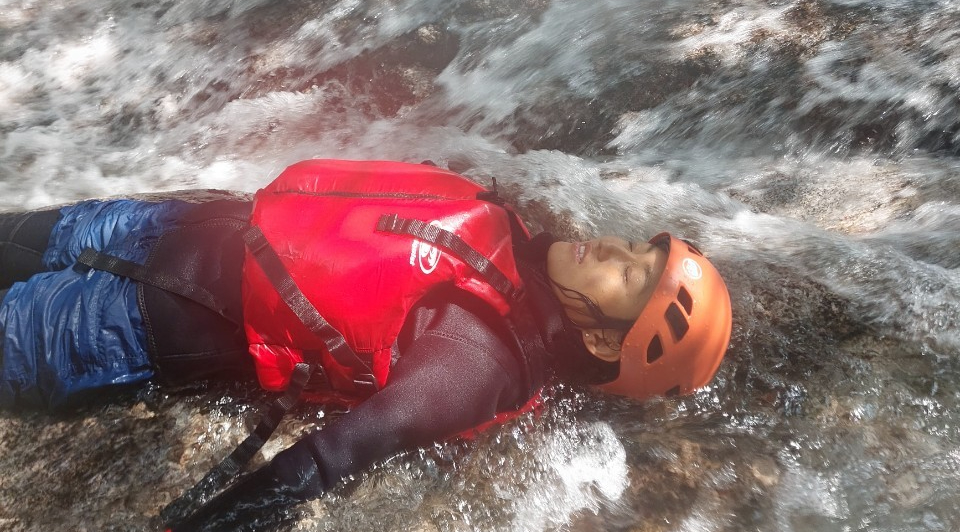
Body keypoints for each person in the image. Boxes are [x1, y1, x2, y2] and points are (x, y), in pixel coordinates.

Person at [0, 158, 732, 532]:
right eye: (639, 247)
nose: (615, 248)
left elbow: (319, 465)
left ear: (607, 340)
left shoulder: (480, 363)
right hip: (161, 227)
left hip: (127, 323)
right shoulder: (511, 246)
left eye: (630, 275)